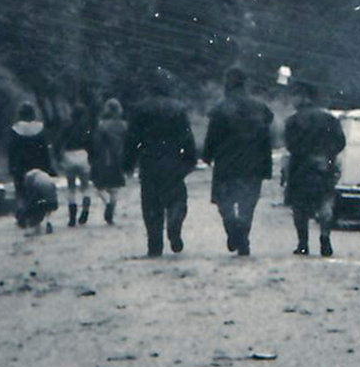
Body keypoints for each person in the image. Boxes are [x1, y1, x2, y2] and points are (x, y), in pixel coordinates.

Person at [123, 71, 198, 258]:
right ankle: (175, 223)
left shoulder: (140, 109)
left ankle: (154, 244)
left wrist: (128, 163)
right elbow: (187, 137)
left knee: (151, 204)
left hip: (149, 162)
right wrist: (190, 159)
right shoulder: (178, 108)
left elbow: (132, 139)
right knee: (177, 199)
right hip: (174, 163)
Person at [202, 66, 274, 256]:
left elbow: (211, 136)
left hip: (226, 164)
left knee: (223, 201)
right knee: (247, 203)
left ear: (227, 84)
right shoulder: (260, 108)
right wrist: (266, 165)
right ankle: (242, 236)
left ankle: (231, 225)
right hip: (253, 164)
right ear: (245, 84)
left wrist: (207, 156)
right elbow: (267, 137)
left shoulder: (220, 108)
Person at [281, 78, 347, 257]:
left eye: (294, 96)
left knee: (299, 207)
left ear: (302, 97)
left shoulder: (293, 121)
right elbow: (341, 142)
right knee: (325, 203)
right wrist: (328, 154)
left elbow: (289, 145)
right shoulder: (330, 119)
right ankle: (325, 239)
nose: (292, 100)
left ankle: (303, 243)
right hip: (325, 166)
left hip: (301, 168)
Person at [6, 100, 57, 231]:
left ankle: (22, 215)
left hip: (21, 167)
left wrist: (11, 167)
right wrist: (49, 167)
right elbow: (46, 149)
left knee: (21, 192)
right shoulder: (40, 129)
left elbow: (11, 151)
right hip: (40, 165)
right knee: (39, 193)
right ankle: (37, 217)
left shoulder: (15, 130)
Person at [92, 96, 130, 225]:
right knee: (115, 188)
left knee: (99, 187)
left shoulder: (102, 125)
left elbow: (97, 143)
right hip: (119, 158)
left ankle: (107, 203)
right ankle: (111, 208)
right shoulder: (124, 125)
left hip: (105, 158)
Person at [60, 104, 95, 227]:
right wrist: (92, 157)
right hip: (82, 155)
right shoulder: (86, 127)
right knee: (85, 187)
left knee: (71, 187)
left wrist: (60, 157)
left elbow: (60, 141)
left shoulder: (67, 126)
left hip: (69, 155)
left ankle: (72, 216)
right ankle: (85, 210)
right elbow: (91, 143)